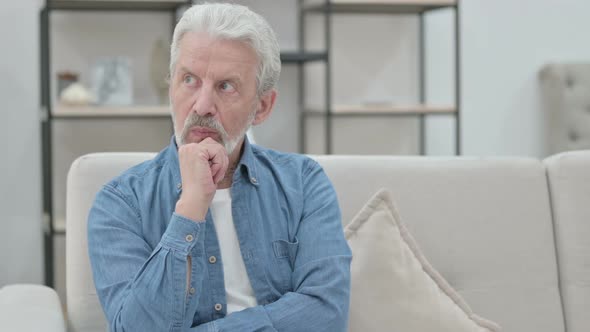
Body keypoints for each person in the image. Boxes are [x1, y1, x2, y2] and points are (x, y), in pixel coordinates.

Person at [87, 3, 352, 331]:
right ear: (170, 86)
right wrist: (190, 209)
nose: (201, 106)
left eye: (225, 86)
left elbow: (327, 313)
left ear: (263, 106)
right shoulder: (120, 203)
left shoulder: (303, 183)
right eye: (189, 80)